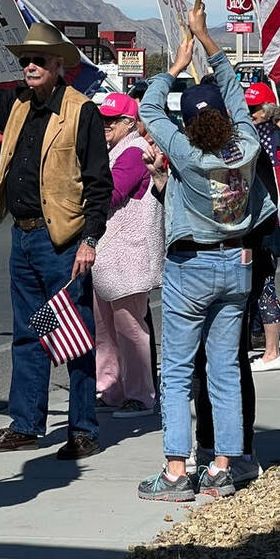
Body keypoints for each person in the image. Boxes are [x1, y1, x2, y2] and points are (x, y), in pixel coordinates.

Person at [137, 6, 274, 502]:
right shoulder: (246, 147)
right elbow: (237, 96)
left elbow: (148, 111)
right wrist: (211, 44)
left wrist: (174, 66)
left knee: (176, 371)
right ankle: (222, 467)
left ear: (190, 122)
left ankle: (176, 472)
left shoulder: (188, 155)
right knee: (226, 368)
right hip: (236, 263)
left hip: (191, 265)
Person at [0, 21, 113, 461]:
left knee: (77, 336)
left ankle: (83, 429)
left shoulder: (81, 111)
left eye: (38, 61)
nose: (29, 67)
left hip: (64, 243)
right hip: (24, 236)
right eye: (25, 61)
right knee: (30, 334)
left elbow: (99, 184)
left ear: (58, 65)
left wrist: (89, 240)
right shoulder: (17, 103)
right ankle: (26, 425)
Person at [92, 92, 163, 418]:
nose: (105, 125)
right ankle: (109, 388)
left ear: (129, 123)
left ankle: (140, 394)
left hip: (128, 256)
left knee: (131, 329)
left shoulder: (134, 151)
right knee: (104, 329)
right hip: (108, 256)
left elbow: (112, 192)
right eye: (103, 119)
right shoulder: (113, 151)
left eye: (111, 120)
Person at [243, 81, 280, 370]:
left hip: (269, 222)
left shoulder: (275, 142)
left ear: (267, 111)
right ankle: (261, 344)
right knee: (249, 286)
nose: (249, 113)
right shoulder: (253, 138)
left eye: (254, 109)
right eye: (247, 108)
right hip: (253, 223)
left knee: (264, 284)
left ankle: (272, 351)